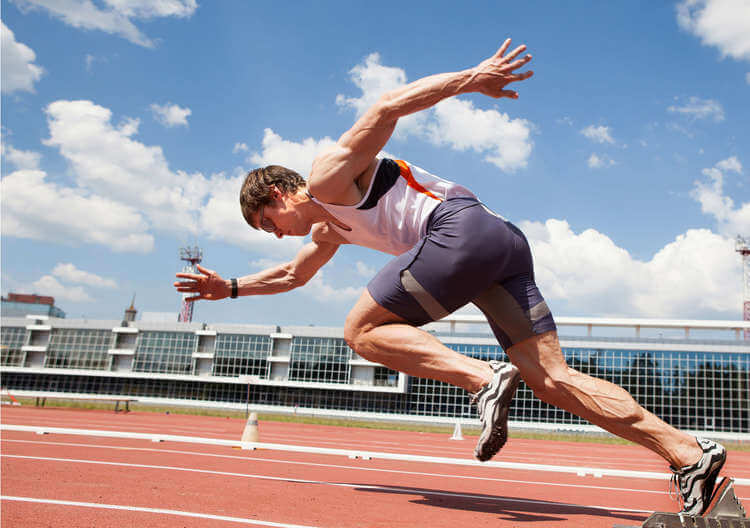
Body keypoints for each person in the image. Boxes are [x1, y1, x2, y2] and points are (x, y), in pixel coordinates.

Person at [174, 39, 726, 515]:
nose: (274, 233)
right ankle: (688, 455)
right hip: (500, 246)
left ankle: (482, 380)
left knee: (361, 331)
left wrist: (472, 78)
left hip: (458, 230)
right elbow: (295, 276)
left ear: (275, 194)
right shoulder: (330, 229)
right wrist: (232, 288)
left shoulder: (325, 176)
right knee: (551, 378)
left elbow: (387, 106)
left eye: (267, 223)